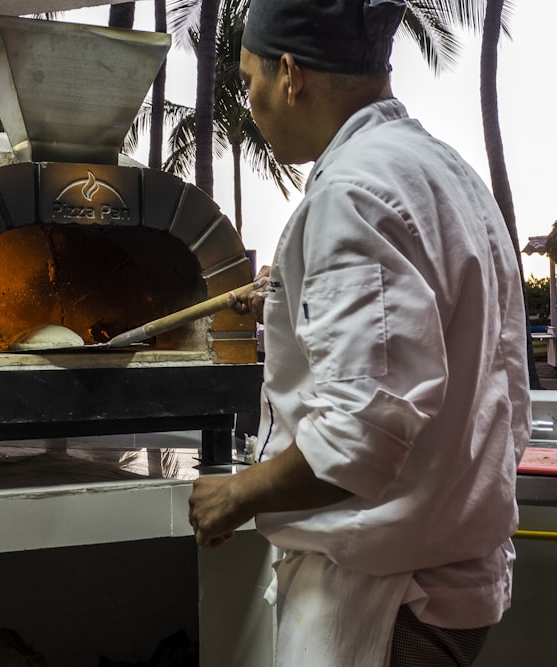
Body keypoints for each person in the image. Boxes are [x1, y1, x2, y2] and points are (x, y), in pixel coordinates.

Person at [187, 1, 531, 664]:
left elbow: (357, 438)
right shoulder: (443, 169)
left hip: (388, 596)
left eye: (249, 78)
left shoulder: (354, 194)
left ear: (291, 75)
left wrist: (238, 493)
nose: (249, 100)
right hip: (446, 572)